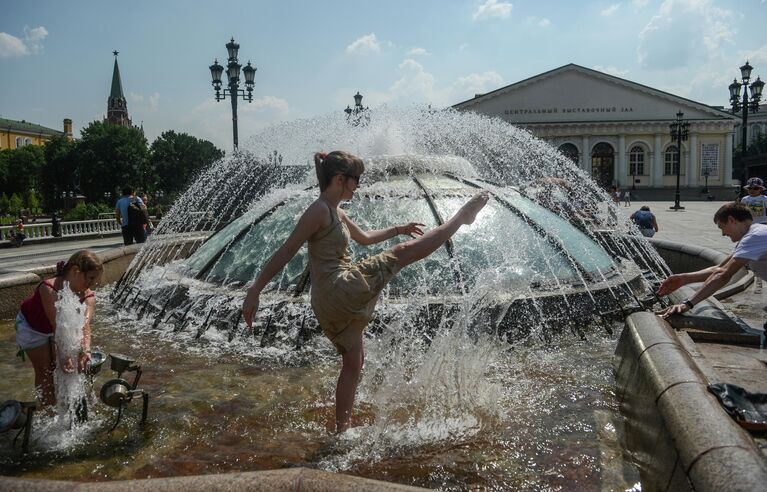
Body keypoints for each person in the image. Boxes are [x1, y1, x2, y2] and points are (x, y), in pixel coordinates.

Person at [241, 151, 489, 434]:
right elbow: (287, 249)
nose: (358, 186)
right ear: (339, 179)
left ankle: (341, 429)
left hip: (330, 297)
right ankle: (461, 218)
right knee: (401, 254)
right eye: (355, 180)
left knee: (354, 361)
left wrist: (400, 228)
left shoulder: (335, 211)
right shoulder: (318, 211)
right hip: (338, 288)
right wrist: (255, 290)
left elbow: (365, 238)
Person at [15, 250, 103, 407]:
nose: (92, 284)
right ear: (76, 271)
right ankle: (47, 412)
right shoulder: (49, 288)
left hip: (55, 328)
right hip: (33, 328)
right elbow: (57, 325)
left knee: (64, 367)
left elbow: (85, 325)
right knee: (45, 370)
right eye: (90, 279)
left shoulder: (88, 296)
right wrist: (64, 355)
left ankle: (63, 406)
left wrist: (85, 350)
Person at [657, 203, 767, 317]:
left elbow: (723, 274)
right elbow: (719, 268)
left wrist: (688, 303)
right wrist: (684, 279)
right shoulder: (753, 234)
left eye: (722, 227)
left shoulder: (755, 236)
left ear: (731, 220)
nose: (723, 233)